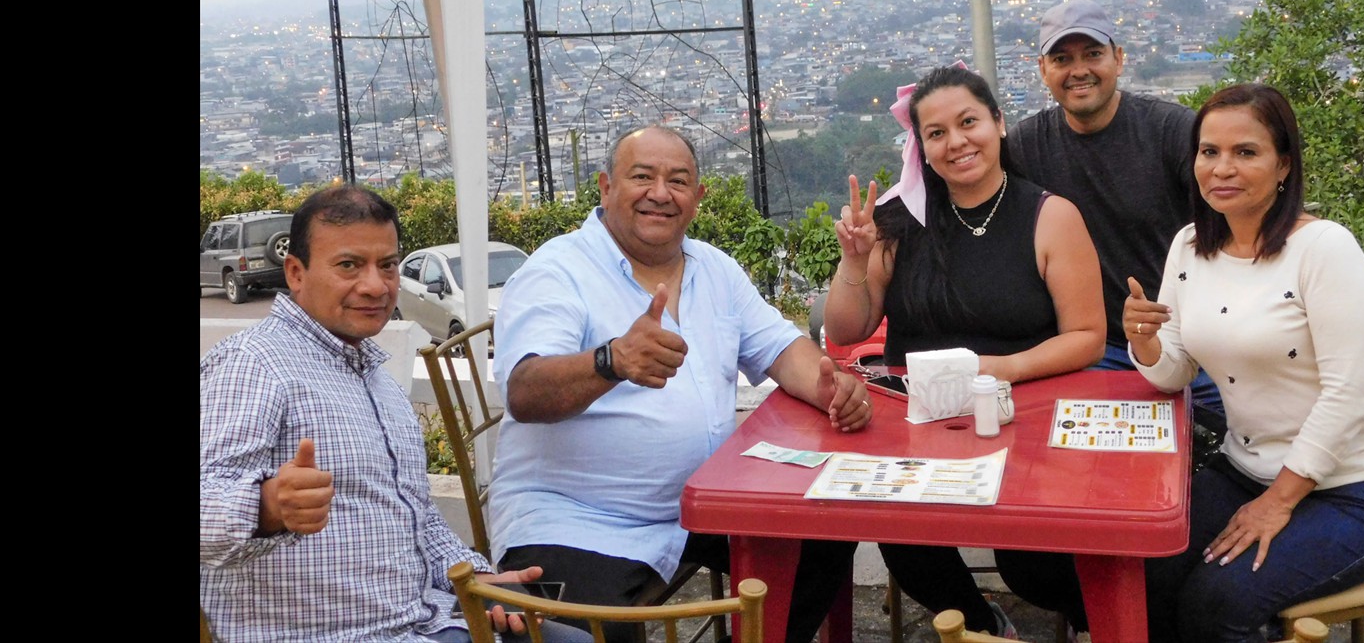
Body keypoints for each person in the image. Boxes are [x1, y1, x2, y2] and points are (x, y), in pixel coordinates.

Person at [489, 125, 869, 643]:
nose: (660, 193)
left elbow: (782, 349)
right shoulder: (557, 271)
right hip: (578, 519)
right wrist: (611, 360)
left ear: (697, 198)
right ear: (604, 187)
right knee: (584, 635)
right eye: (641, 177)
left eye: (678, 180)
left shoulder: (715, 269)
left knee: (824, 536)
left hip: (704, 504)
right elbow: (524, 392)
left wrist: (833, 389)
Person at [200, 185, 588, 643]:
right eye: (349, 265)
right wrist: (266, 507)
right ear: (296, 272)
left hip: (424, 619)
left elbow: (415, 515)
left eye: (387, 265)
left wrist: (475, 579)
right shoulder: (254, 365)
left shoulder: (373, 376)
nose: (375, 285)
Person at [825, 64, 1106, 639]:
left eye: (969, 122)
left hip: (1021, 415)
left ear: (999, 124)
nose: (956, 142)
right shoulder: (898, 222)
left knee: (1030, 562)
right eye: (936, 132)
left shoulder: (1050, 216)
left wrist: (999, 370)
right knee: (900, 530)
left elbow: (1087, 336)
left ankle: (1095, 618)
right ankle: (981, 624)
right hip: (916, 422)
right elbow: (847, 329)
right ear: (921, 147)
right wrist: (855, 261)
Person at [1123, 84, 1364, 643]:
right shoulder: (1189, 246)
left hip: (1356, 484)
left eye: (1245, 152)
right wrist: (1144, 340)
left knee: (1218, 600)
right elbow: (1175, 371)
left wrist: (1277, 503)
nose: (1222, 168)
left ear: (1283, 165)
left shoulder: (1324, 250)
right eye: (1209, 151)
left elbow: (1348, 392)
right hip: (1246, 466)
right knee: (1144, 568)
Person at [1008, 0, 1226, 432]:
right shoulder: (1026, 146)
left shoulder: (1172, 131)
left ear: (1119, 58)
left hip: (1186, 342)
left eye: (1092, 54)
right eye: (1062, 59)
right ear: (1042, 69)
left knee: (1235, 444)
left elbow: (1233, 219)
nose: (1079, 70)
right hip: (1094, 350)